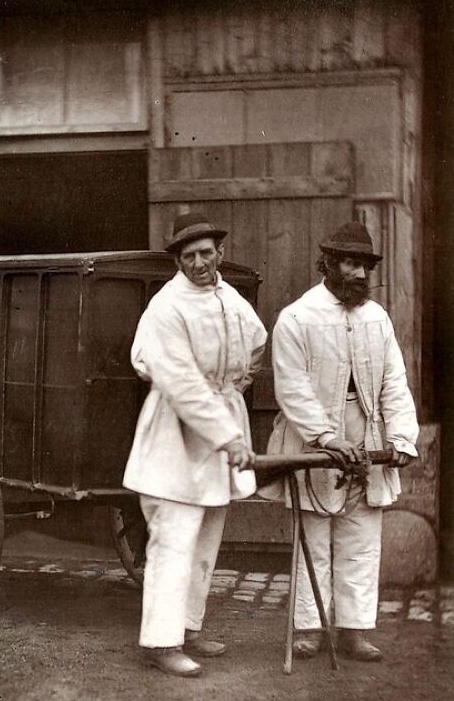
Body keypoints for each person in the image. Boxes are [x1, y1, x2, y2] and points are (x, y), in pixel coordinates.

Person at [264, 222, 418, 661]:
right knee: (313, 537)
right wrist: (326, 436)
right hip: (313, 434)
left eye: (364, 266)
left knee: (362, 537)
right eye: (350, 263)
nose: (359, 274)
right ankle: (310, 627)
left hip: (366, 431)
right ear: (327, 264)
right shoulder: (297, 317)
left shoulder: (377, 318)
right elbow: (292, 387)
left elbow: (394, 381)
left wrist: (401, 436)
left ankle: (354, 629)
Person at [123, 211, 267, 677]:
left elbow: (258, 342)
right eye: (189, 256)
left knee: (206, 538)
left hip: (218, 432)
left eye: (207, 253)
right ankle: (161, 642)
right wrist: (228, 435)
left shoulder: (231, 298)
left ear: (220, 252)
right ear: (177, 261)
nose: (200, 263)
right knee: (173, 538)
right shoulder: (166, 307)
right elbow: (181, 383)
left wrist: (235, 387)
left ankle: (188, 626)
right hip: (174, 434)